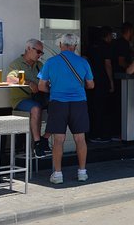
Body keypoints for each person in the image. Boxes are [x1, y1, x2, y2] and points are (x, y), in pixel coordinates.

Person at [38, 34, 94, 184]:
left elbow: (41, 86)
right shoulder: (83, 62)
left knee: (58, 139)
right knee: (80, 138)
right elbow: (91, 84)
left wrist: (55, 89)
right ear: (75, 46)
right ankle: (82, 172)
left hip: (58, 103)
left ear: (61, 45)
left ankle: (58, 174)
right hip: (79, 103)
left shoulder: (50, 62)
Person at [7, 38, 51, 158]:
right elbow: (10, 79)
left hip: (38, 98)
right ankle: (37, 144)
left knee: (59, 107)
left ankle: (44, 139)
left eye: (42, 53)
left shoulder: (40, 65)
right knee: (36, 108)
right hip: (21, 100)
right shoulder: (16, 64)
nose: (40, 55)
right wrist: (29, 83)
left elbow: (48, 79)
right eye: (38, 52)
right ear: (28, 49)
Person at [86, 26, 114, 143]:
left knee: (93, 107)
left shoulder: (90, 47)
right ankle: (103, 134)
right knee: (103, 108)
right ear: (106, 36)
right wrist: (111, 81)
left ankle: (93, 133)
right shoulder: (105, 48)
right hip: (102, 80)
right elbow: (108, 65)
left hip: (91, 80)